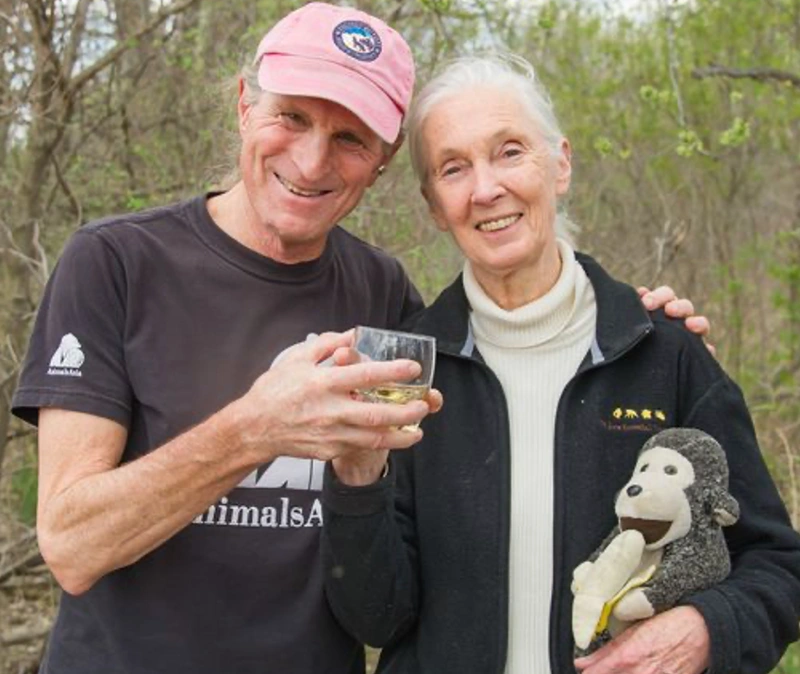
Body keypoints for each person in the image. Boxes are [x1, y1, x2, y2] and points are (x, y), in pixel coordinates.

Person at [11, 4, 706, 672]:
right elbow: (72, 545)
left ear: (383, 158)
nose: (312, 162)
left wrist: (628, 323)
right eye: (292, 117)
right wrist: (255, 429)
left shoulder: (384, 297)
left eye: (349, 139)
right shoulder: (116, 264)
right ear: (244, 105)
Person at [321, 54, 800, 674]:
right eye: (454, 168)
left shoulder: (662, 352)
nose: (486, 188)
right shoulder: (408, 375)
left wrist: (705, 630)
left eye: (510, 151)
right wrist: (357, 479)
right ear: (435, 205)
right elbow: (377, 617)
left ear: (561, 164)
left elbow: (776, 567)